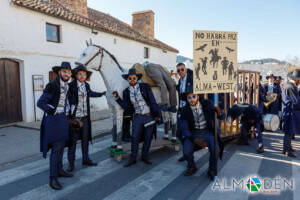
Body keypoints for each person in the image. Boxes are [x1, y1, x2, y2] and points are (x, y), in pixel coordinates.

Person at [37, 62, 74, 190]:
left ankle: (60, 170)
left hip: (63, 119)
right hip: (53, 120)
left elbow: (65, 101)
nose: (67, 74)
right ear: (59, 72)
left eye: (69, 72)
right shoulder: (52, 85)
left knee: (62, 146)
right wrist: (52, 111)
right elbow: (41, 103)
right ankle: (52, 178)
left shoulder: (67, 86)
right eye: (64, 72)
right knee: (56, 149)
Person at [113, 69, 160, 167]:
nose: (132, 80)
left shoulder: (145, 87)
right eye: (130, 78)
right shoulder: (126, 92)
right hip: (137, 117)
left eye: (134, 78)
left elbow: (152, 100)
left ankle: (145, 156)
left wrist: (156, 116)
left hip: (148, 116)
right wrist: (117, 98)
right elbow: (127, 106)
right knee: (134, 138)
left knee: (148, 138)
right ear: (128, 80)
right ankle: (133, 158)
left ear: (137, 78)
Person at [67, 65, 106, 172]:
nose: (82, 76)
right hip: (75, 119)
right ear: (76, 75)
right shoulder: (70, 86)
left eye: (84, 74)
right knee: (73, 143)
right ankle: (71, 164)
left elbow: (90, 93)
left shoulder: (87, 86)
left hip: (85, 118)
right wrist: (69, 117)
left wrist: (101, 94)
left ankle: (86, 159)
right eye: (80, 74)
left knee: (85, 140)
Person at [179, 90, 224, 180]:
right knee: (186, 151)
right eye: (189, 98)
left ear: (198, 96)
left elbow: (221, 116)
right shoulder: (184, 110)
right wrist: (194, 139)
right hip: (193, 133)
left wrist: (219, 112)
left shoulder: (207, 104)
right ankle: (192, 166)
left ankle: (211, 169)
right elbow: (184, 128)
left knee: (216, 150)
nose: (192, 99)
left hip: (207, 131)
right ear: (187, 99)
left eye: (194, 96)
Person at [143, 63, 178, 142]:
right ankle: (165, 103)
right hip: (150, 66)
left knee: (172, 85)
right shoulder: (148, 66)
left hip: (159, 66)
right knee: (163, 85)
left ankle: (172, 105)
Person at [175, 63, 193, 162]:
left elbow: (191, 95)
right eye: (178, 70)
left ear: (186, 69)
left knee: (186, 135)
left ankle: (189, 158)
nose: (180, 72)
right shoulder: (180, 80)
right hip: (181, 110)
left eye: (182, 69)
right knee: (179, 134)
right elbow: (179, 90)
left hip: (188, 110)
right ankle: (186, 154)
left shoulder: (191, 79)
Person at [281, 70, 300, 157]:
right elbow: (296, 101)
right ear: (296, 79)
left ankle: (285, 149)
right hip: (290, 111)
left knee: (288, 131)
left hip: (287, 110)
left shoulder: (288, 85)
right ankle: (288, 150)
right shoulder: (291, 87)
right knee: (289, 131)